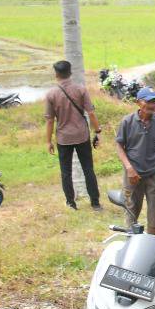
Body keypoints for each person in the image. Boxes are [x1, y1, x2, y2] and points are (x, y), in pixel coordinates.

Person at [44, 60, 102, 211]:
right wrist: (97, 131)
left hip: (63, 139)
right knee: (88, 169)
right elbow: (91, 112)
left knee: (66, 172)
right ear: (70, 72)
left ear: (56, 74)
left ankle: (71, 203)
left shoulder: (51, 94)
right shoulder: (80, 89)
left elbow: (50, 121)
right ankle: (95, 202)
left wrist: (48, 141)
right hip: (82, 135)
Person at [115, 87, 155, 234]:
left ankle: (150, 241)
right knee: (131, 207)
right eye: (149, 102)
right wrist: (129, 168)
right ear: (138, 103)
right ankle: (131, 239)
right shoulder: (127, 122)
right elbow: (120, 146)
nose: (153, 105)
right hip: (133, 172)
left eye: (154, 102)